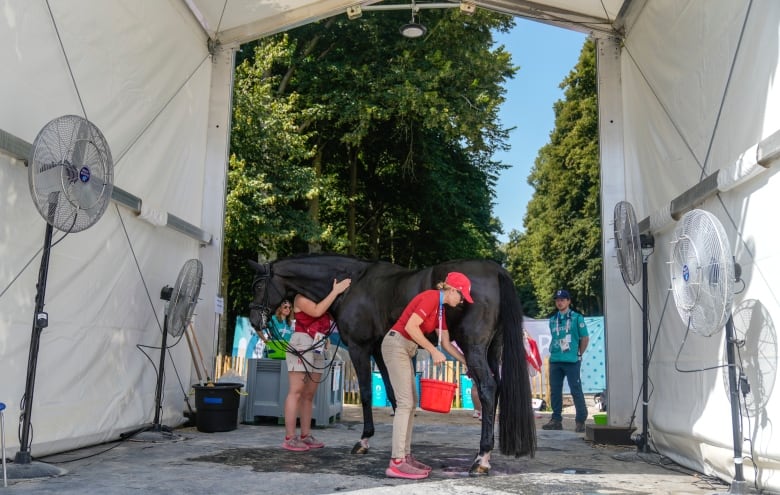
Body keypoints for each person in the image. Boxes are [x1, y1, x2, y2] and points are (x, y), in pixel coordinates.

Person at [381, 272, 474, 479]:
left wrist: (468, 363)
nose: (461, 301)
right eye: (461, 295)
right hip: (396, 344)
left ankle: (405, 456)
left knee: (411, 403)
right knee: (405, 403)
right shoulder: (432, 297)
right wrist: (432, 351)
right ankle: (396, 462)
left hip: (407, 348)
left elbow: (447, 344)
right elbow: (410, 327)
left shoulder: (440, 311)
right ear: (451, 290)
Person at [281, 278, 351, 451]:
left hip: (317, 345)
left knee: (309, 394)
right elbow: (317, 311)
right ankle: (290, 437)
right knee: (296, 391)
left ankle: (305, 434)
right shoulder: (299, 298)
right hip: (302, 343)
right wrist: (335, 291)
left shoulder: (319, 298)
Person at [542, 289, 589, 433]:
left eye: (563, 299)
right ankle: (556, 420)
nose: (559, 302)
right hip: (556, 359)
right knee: (555, 390)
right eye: (557, 300)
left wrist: (579, 353)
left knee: (575, 389)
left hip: (572, 360)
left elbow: (585, 338)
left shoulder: (577, 318)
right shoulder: (552, 319)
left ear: (569, 301)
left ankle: (580, 420)